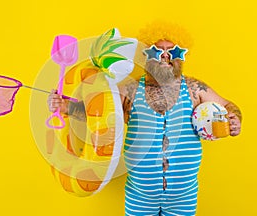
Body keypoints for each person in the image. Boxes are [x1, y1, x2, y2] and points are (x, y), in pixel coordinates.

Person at [47, 21, 242, 216]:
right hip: (140, 196)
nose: (165, 56)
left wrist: (234, 119)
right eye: (158, 51)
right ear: (146, 56)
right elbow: (96, 112)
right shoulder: (130, 90)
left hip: (183, 196)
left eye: (173, 51)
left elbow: (227, 106)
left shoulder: (194, 89)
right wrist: (65, 106)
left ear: (182, 56)